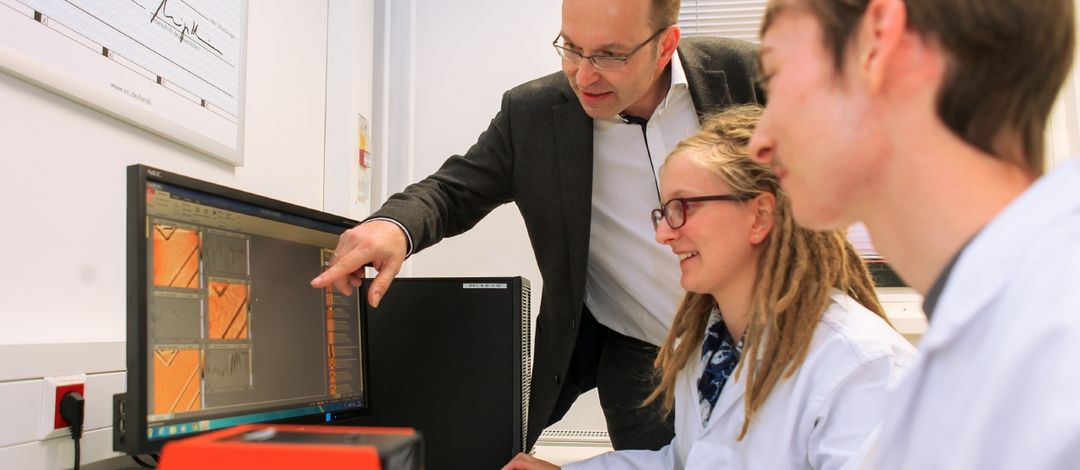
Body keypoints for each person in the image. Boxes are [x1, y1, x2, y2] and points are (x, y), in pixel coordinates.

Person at [310, 0, 764, 451]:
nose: (584, 75)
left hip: (771, 342)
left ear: (665, 45)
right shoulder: (534, 114)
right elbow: (451, 191)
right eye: (571, 47)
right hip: (647, 366)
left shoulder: (746, 75)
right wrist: (393, 226)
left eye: (610, 55)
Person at [749, 0, 1080, 468]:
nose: (758, 143)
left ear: (877, 38)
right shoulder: (984, 338)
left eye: (773, 76)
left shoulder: (1058, 345)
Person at [504, 105, 914, 470]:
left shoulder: (861, 365)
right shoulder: (709, 349)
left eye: (683, 208)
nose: (663, 233)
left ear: (759, 215)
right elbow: (685, 461)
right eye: (663, 212)